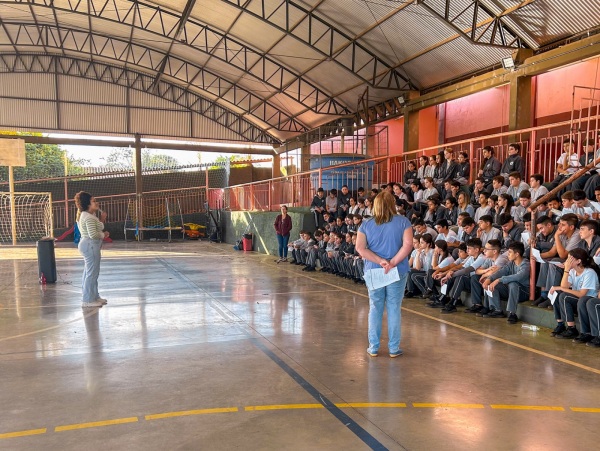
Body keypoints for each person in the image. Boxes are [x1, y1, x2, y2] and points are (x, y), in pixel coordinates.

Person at [356, 191, 413, 358]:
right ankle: (393, 348)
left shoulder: (366, 225)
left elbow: (360, 248)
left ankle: (373, 347)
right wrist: (392, 262)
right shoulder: (403, 222)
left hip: (374, 270)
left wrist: (380, 260)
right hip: (397, 271)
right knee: (394, 308)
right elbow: (408, 244)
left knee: (375, 307)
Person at [549, 248, 599, 339]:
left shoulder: (589, 273)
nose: (567, 262)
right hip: (578, 301)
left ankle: (572, 328)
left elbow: (582, 294)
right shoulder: (572, 271)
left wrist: (561, 288)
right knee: (558, 293)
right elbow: (564, 286)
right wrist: (566, 270)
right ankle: (561, 324)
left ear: (578, 261)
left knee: (564, 295)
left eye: (570, 259)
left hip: (586, 301)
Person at [75, 191, 110, 308]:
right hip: (90, 245)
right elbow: (93, 234)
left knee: (91, 272)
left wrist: (101, 220)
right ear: (88, 204)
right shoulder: (88, 217)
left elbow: (97, 227)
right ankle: (88, 300)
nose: (96, 202)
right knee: (92, 273)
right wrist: (103, 234)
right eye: (93, 201)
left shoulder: (90, 215)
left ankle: (94, 296)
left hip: (90, 245)